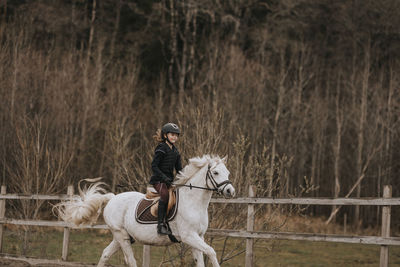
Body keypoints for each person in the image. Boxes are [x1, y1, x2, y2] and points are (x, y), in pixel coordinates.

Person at [150, 122, 183, 235]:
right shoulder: (161, 148)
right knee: (165, 195)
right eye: (172, 134)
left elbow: (179, 169)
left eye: (176, 135)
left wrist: (185, 180)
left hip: (169, 181)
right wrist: (164, 177)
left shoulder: (175, 151)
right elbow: (154, 166)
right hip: (158, 180)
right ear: (165, 135)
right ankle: (160, 225)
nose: (174, 137)